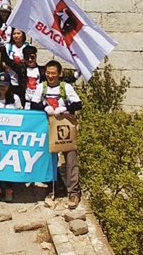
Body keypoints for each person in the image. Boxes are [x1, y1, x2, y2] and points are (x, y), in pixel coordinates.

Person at [30, 60, 82, 209]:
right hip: (48, 125)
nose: (50, 76)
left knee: (70, 157)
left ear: (59, 74)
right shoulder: (42, 87)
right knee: (49, 157)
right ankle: (54, 186)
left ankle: (73, 191)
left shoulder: (66, 87)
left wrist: (63, 108)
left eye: (53, 73)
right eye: (48, 73)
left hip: (65, 126)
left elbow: (78, 104)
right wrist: (45, 107)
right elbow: (33, 104)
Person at [0, 72, 22, 202]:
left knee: (9, 162)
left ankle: (9, 188)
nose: (2, 88)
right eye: (0, 85)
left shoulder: (15, 98)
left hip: (10, 136)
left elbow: (21, 115)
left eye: (5, 85)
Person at [22, 45, 45, 109]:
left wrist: (73, 77)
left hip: (37, 103)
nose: (30, 60)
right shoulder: (21, 70)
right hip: (25, 104)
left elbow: (55, 78)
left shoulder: (42, 70)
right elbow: (9, 62)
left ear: (36, 57)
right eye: (27, 58)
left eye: (32, 57)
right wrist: (2, 47)